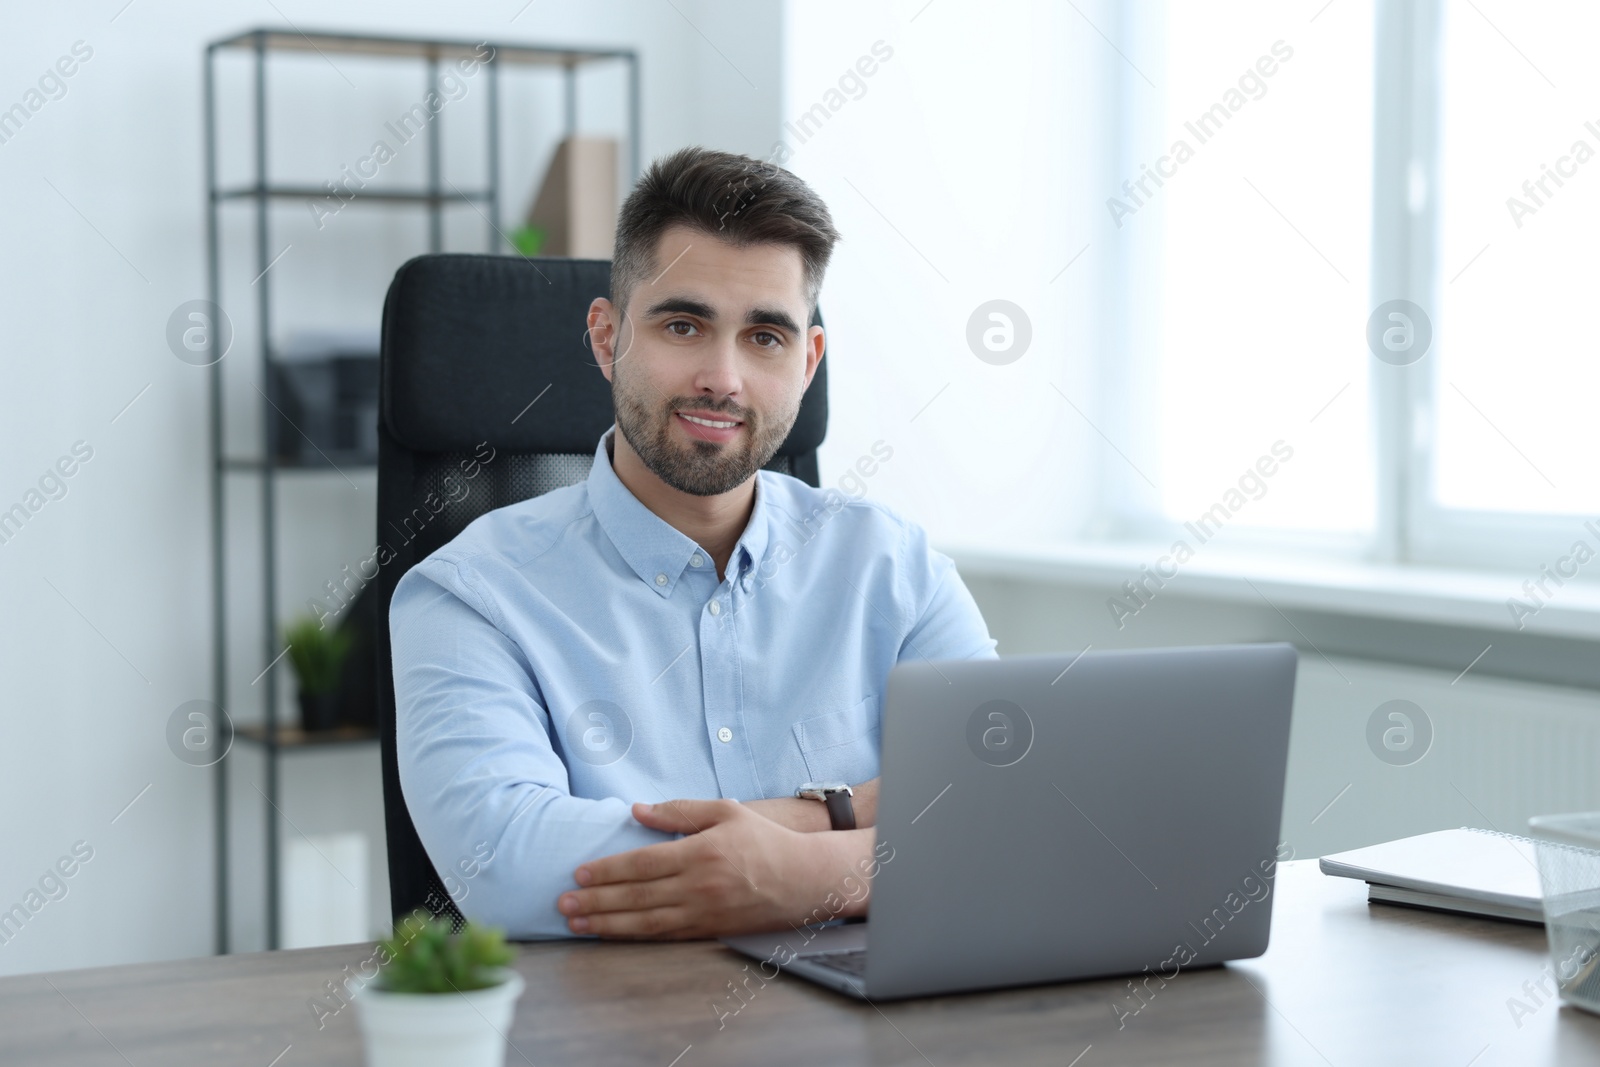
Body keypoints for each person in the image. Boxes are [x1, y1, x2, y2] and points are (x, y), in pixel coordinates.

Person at [391, 146, 996, 940]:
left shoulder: (894, 567)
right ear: (608, 339)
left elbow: (1001, 820)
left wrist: (792, 869)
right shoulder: (471, 592)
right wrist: (841, 818)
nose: (724, 378)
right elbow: (506, 867)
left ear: (808, 362)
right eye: (684, 324)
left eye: (766, 337)